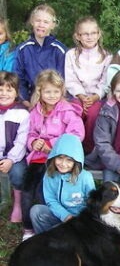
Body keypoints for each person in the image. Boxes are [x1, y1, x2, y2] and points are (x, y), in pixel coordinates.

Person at [21, 69, 84, 241]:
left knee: (44, 192)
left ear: (61, 91)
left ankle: (50, 227)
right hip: (37, 158)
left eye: (56, 91)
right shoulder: (36, 111)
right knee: (27, 190)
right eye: (47, 91)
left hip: (58, 160)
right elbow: (30, 133)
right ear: (39, 91)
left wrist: (53, 145)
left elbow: (76, 134)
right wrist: (34, 142)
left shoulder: (67, 111)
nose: (52, 95)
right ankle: (28, 229)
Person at [30, 134, 95, 234]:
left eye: (69, 160)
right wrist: (66, 216)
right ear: (54, 156)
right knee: (36, 211)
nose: (63, 164)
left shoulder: (86, 177)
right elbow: (50, 200)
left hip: (80, 220)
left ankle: (60, 240)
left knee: (61, 233)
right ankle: (45, 242)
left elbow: (92, 203)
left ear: (76, 161)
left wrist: (78, 221)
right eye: (60, 158)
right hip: (59, 215)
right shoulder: (49, 174)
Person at [65, 16, 112, 153]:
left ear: (98, 34)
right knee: (74, 112)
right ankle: (73, 149)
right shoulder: (71, 55)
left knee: (93, 113)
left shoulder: (106, 56)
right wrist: (81, 96)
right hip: (77, 96)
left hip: (97, 97)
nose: (89, 37)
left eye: (93, 33)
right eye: (85, 34)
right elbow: (70, 79)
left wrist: (94, 97)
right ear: (78, 36)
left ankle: (89, 150)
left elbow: (105, 81)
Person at [14, 4, 67, 106]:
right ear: (32, 22)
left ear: (53, 25)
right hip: (30, 99)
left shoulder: (59, 50)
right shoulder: (23, 49)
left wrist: (57, 100)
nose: (41, 25)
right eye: (38, 21)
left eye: (46, 22)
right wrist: (24, 99)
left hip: (54, 99)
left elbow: (64, 78)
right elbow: (18, 77)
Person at [0, 71, 29, 223]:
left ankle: (17, 204)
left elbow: (22, 141)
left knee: (18, 173)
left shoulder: (22, 113)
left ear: (17, 92)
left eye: (9, 90)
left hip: (15, 156)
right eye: (0, 89)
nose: (4, 93)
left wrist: (11, 159)